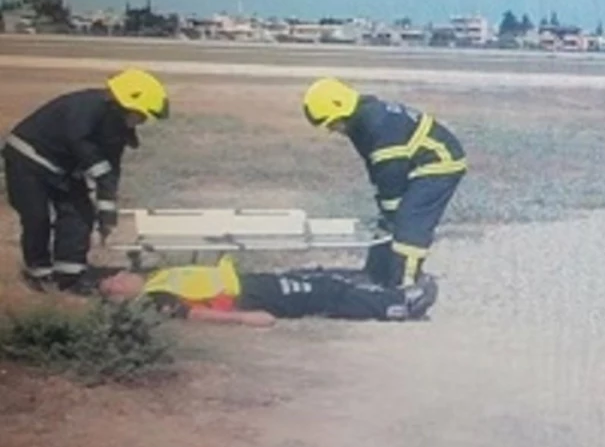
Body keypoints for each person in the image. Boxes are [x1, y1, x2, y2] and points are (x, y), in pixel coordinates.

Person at [2, 68, 169, 294]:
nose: (140, 122)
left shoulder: (116, 124)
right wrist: (98, 170)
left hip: (62, 170)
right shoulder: (85, 107)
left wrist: (107, 211)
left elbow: (110, 168)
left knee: (80, 214)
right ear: (124, 102)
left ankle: (69, 276)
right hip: (28, 159)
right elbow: (78, 142)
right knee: (36, 217)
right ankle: (38, 272)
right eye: (139, 115)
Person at [301, 78, 466, 289]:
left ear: (341, 109)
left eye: (333, 123)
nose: (333, 130)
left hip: (440, 163)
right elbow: (376, 165)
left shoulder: (376, 124)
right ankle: (376, 274)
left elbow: (391, 173)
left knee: (409, 221)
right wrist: (386, 210)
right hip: (415, 162)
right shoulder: (360, 121)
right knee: (389, 219)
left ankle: (406, 284)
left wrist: (391, 210)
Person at [97, 255, 438, 326]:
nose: (121, 276)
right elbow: (196, 313)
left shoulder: (157, 278)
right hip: (250, 298)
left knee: (321, 283)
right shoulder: (156, 299)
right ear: (120, 298)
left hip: (251, 283)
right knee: (320, 296)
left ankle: (390, 297)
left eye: (117, 274)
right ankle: (400, 306)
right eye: (114, 283)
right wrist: (245, 319)